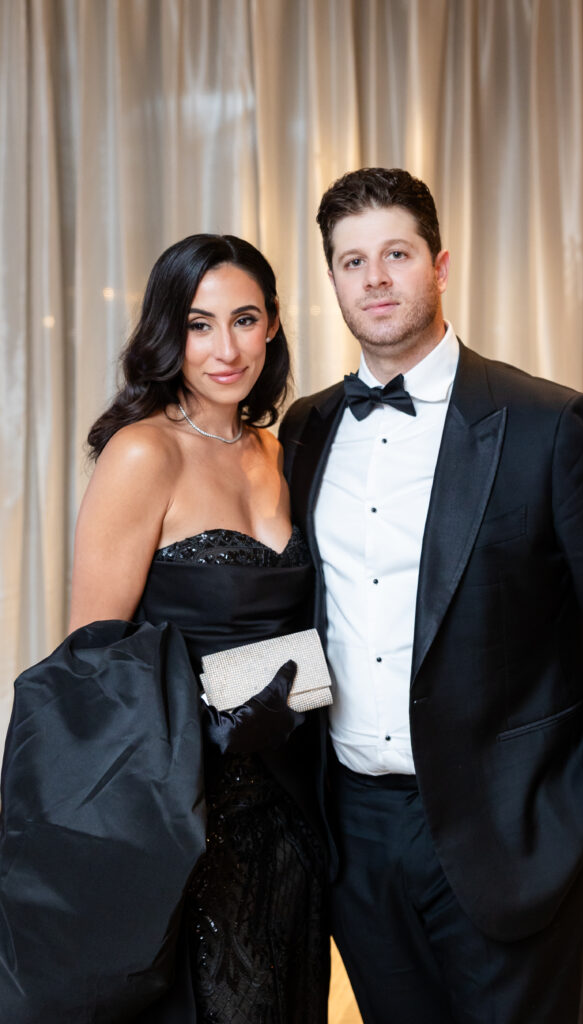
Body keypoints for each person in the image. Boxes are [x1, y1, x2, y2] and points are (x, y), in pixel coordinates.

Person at [279, 168, 583, 1024]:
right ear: (333, 281)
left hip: (510, 823)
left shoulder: (551, 426)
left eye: (395, 254)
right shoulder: (306, 429)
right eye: (352, 261)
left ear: (439, 265)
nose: (374, 278)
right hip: (351, 827)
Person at [0, 234, 329, 1023]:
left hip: (288, 810)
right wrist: (210, 727)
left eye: (243, 320)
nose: (226, 349)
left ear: (272, 325)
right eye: (198, 324)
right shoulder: (143, 452)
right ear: (167, 332)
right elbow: (91, 672)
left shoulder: (279, 452)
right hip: (184, 818)